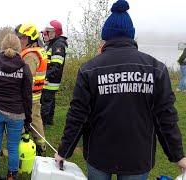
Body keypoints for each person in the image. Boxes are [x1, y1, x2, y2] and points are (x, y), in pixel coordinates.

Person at [54, 0, 186, 179]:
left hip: (99, 155)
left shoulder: (90, 69)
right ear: (131, 37)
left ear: (105, 37)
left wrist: (64, 151)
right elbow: (165, 116)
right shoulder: (156, 68)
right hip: (138, 157)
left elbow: (78, 115)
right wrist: (178, 155)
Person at [0, 33, 33, 180]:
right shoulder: (24, 67)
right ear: (18, 47)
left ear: (2, 46)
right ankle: (11, 176)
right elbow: (28, 96)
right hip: (17, 114)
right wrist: (28, 118)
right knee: (13, 147)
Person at [15, 23, 47, 155]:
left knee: (30, 119)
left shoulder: (30, 56)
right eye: (20, 38)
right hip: (35, 94)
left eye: (24, 38)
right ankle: (40, 144)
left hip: (29, 95)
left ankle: (35, 146)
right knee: (35, 118)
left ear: (31, 39)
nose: (21, 40)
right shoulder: (37, 50)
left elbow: (26, 78)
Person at [40, 20, 68, 126]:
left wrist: (45, 76)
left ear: (57, 32)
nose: (49, 34)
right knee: (50, 101)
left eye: (51, 32)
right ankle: (49, 120)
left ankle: (42, 123)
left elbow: (56, 66)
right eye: (48, 32)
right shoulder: (54, 43)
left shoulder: (58, 45)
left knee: (45, 102)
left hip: (50, 79)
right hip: (51, 78)